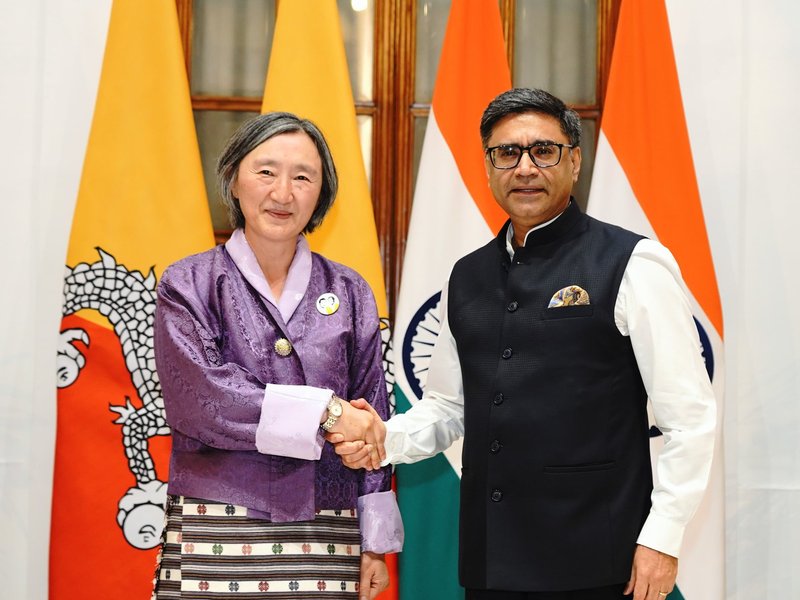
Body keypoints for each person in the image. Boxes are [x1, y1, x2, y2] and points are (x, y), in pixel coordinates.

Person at [331, 88, 716, 600]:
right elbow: (448, 407)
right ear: (488, 166)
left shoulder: (634, 264)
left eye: (544, 151)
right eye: (507, 153)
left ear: (574, 161)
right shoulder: (466, 276)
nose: (525, 168)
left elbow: (690, 419)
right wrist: (384, 436)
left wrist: (663, 537)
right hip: (492, 564)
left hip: (602, 563)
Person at [151, 112, 402, 600]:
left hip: (328, 528)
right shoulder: (188, 283)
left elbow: (372, 412)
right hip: (216, 524)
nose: (283, 193)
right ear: (233, 180)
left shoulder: (350, 290)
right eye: (266, 171)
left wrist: (374, 543)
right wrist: (329, 412)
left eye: (303, 177)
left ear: (322, 193)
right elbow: (206, 400)